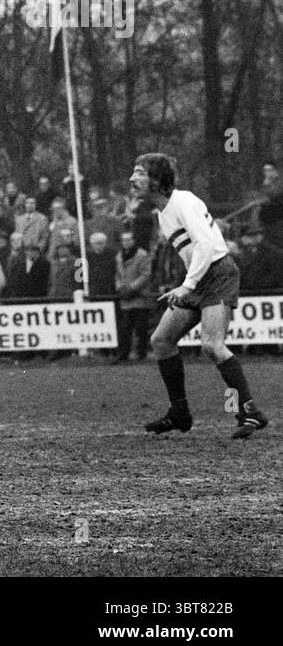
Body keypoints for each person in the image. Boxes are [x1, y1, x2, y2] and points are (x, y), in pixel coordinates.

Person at [130, 153, 268, 438]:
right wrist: (186, 282)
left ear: (156, 179)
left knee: (212, 345)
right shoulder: (163, 211)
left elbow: (206, 246)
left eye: (139, 172)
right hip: (198, 277)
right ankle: (179, 413)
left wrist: (187, 285)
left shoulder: (184, 201)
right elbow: (192, 252)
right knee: (161, 340)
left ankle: (250, 411)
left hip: (217, 273)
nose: (132, 178)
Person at [113, 229, 156, 363]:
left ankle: (141, 353)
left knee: (141, 328)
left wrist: (132, 287)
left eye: (128, 240)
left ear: (133, 241)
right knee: (125, 328)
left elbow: (146, 274)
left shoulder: (142, 255)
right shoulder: (119, 256)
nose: (126, 243)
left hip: (140, 296)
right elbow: (117, 275)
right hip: (126, 298)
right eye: (124, 240)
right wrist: (120, 287)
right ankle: (124, 354)